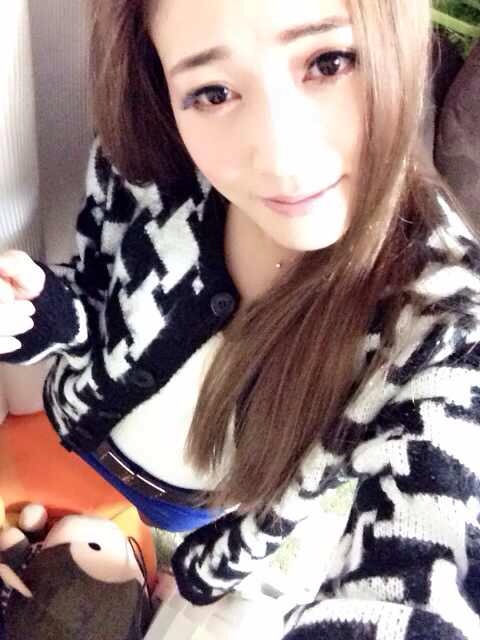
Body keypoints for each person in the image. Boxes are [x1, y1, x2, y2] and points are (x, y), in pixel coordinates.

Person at [0, 0, 479, 637]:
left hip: (187, 512)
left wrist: (209, 572)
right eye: (213, 92)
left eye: (328, 61)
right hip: (73, 427)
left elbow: (431, 575)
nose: (281, 157)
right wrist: (45, 315)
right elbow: (94, 298)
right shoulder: (146, 166)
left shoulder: (441, 327)